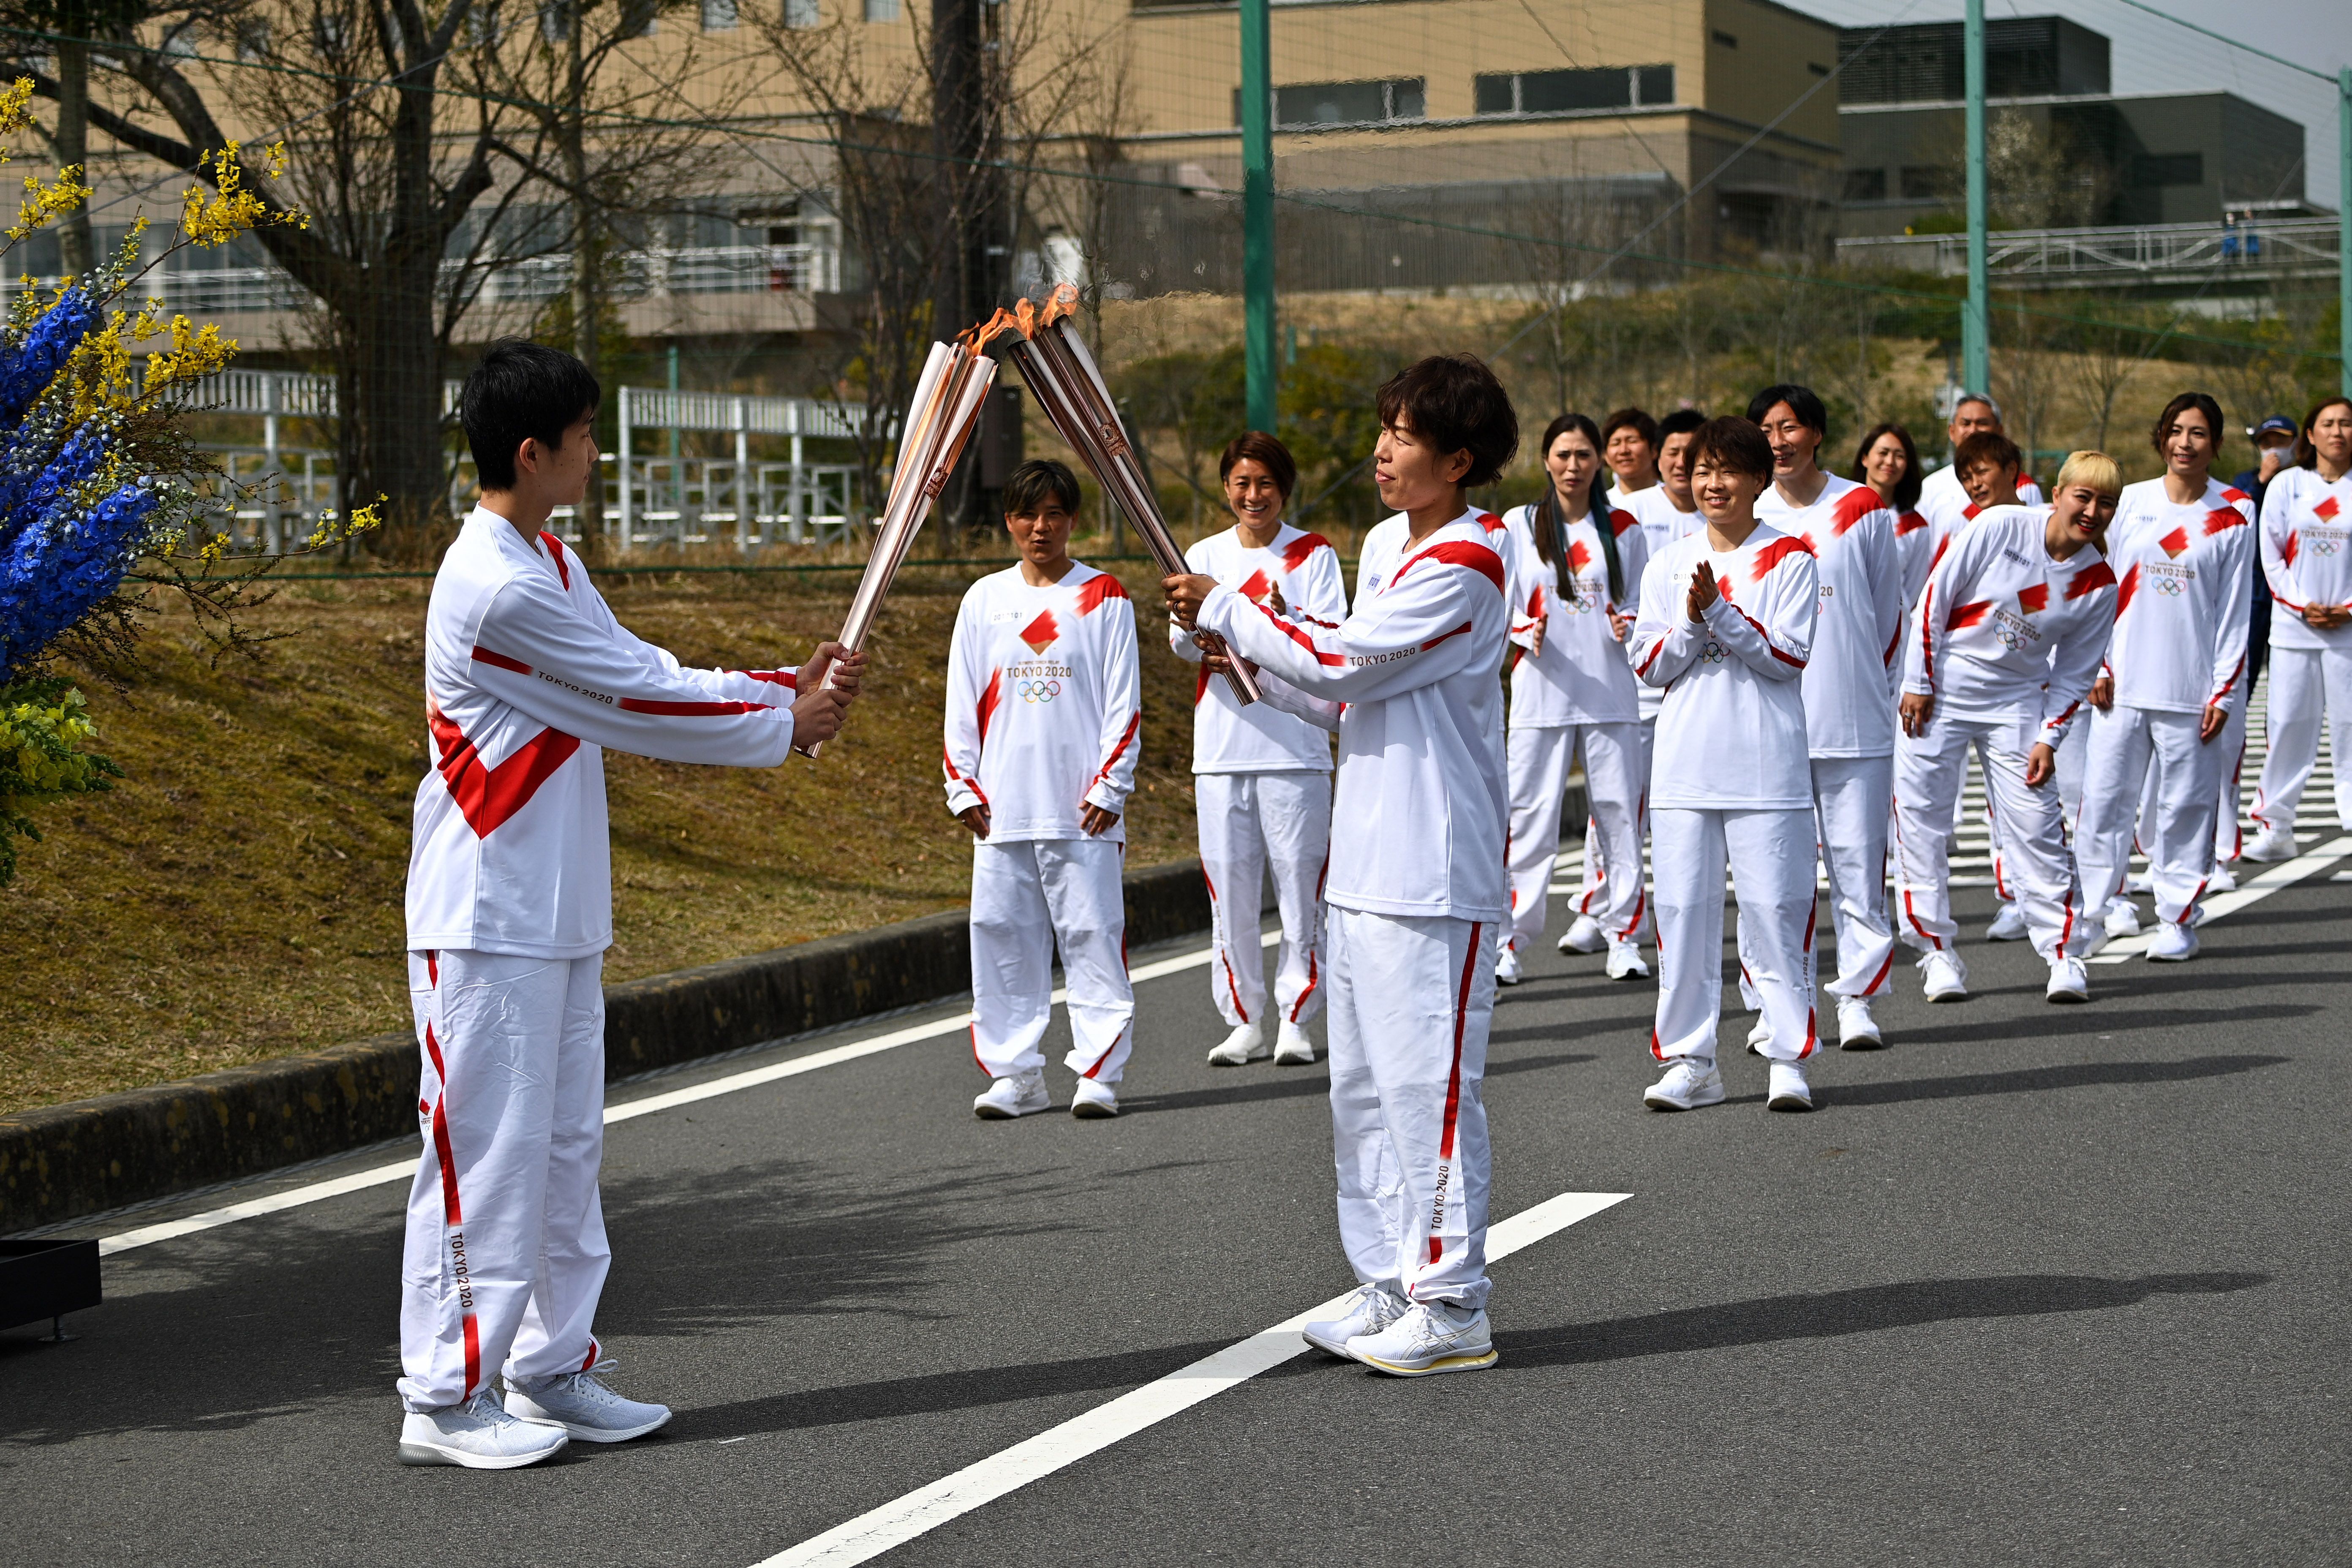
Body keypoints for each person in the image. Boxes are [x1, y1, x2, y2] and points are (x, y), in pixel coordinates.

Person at [399, 340, 863, 1469]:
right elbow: (630, 697)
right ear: (532, 451)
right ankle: (444, 1396)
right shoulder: (496, 585)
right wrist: (782, 723)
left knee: (561, 1151)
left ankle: (550, 1369)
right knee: (487, 1156)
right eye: (586, 436)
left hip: (555, 913)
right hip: (486, 918)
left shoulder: (547, 559)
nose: (597, 453)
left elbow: (631, 662)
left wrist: (776, 693)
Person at [1166, 354, 1517, 1377]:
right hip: (1362, 861)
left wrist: (1231, 607)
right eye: (1384, 428)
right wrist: (1234, 659)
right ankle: (1383, 1285)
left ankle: (1451, 1304)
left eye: (1405, 437)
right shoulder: (1386, 546)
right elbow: (1334, 694)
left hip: (1434, 866)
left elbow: (1342, 657)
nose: (1381, 449)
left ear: (1458, 460)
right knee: (1360, 1092)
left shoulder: (1472, 559)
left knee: (1428, 1092)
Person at [1629, 416, 1821, 1113]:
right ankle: (1689, 1060)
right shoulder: (1665, 562)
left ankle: (1787, 1056)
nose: (1713, 483)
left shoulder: (1791, 558)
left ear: (1757, 480)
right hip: (1684, 766)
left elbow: (1786, 656)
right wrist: (1690, 618)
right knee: (1680, 912)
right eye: (1702, 470)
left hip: (1765, 764)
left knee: (1773, 910)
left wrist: (1721, 612)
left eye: (1728, 471)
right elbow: (1648, 664)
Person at [945, 459, 1142, 1118]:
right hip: (1003, 806)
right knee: (1000, 936)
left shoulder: (1104, 596)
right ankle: (1016, 1076)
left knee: (1091, 935)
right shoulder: (984, 599)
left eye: (1055, 514)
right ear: (1009, 522)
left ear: (1073, 521)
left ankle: (1099, 1073)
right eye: (1029, 515)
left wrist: (1110, 785)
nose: (1041, 527)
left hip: (1081, 808)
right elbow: (961, 701)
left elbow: (1124, 703)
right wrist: (963, 784)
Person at [1895, 451, 2120, 1004]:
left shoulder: (2098, 583)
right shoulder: (2000, 525)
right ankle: (1937, 953)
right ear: (2058, 491)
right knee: (1921, 820)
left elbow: (2075, 673)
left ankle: (2064, 953)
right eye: (2082, 496)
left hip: (2017, 700)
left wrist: (2050, 738)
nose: (2091, 510)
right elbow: (1935, 600)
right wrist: (1920, 681)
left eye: (2106, 502)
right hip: (1944, 688)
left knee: (2037, 825)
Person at [1172, 432, 1345, 1066]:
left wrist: (1261, 623)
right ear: (1226, 488)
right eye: (1242, 484)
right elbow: (1182, 639)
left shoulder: (1312, 554)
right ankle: (1244, 1019)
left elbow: (1328, 638)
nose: (1253, 496)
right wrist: (1220, 631)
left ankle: (1297, 1016)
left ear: (1284, 489)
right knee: (1231, 892)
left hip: (1296, 749)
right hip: (1221, 750)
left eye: (1265, 484)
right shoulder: (1202, 555)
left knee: (1302, 889)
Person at [1747, 385, 1903, 1049]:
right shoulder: (1748, 515)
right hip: (1771, 723)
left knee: (1858, 870)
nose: (1777, 441)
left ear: (1815, 433)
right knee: (1773, 878)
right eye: (1766, 429)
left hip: (1851, 715)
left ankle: (1858, 1000)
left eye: (1788, 428)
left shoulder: (1861, 508)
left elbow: (1889, 617)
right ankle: (1776, 1006)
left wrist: (1871, 689)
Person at [2077, 393, 2255, 961]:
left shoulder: (2235, 512)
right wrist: (2095, 664)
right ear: (2162, 437)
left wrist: (2224, 690)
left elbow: (2234, 610)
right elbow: (2099, 586)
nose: (2185, 443)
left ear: (2217, 445)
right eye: (2176, 431)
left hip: (2190, 689)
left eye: (2198, 433)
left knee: (2185, 808)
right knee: (2104, 804)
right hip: (2120, 685)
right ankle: (2096, 911)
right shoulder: (2129, 502)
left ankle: (2178, 918)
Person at [1496, 414, 1651, 985]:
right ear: (1545, 459)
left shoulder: (1625, 527)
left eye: (1585, 455)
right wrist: (1520, 630)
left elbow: (1640, 600)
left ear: (1599, 463)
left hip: (1610, 692)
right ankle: (1508, 942)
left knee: (1617, 817)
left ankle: (1623, 936)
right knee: (1530, 818)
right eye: (1563, 454)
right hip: (1542, 693)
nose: (1573, 466)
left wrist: (1628, 621)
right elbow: (1501, 603)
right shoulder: (1520, 524)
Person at [1565, 406, 1705, 953]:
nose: (1681, 464)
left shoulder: (1727, 511)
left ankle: (1675, 910)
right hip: (1636, 686)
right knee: (1619, 804)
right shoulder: (1625, 511)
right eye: (1674, 453)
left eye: (1692, 456)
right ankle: (1598, 908)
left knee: (1690, 810)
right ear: (1658, 456)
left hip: (1703, 688)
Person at [2246, 395, 2352, 859]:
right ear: (2310, 435)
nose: (2337, 432)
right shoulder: (2288, 485)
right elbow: (2270, 554)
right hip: (2295, 628)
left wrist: (2348, 608)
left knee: (2350, 725)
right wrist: (2303, 604)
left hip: (2348, 629)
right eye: (2328, 424)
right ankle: (2276, 826)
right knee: (2289, 724)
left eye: (2347, 424)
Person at [1916, 393, 2045, 571]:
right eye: (1966, 423)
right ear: (1952, 432)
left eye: (1982, 423)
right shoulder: (1931, 486)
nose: (1973, 430)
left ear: (1999, 431)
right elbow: (1921, 553)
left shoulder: (2021, 484)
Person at [1855, 421, 1932, 607]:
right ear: (1865, 458)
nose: (1890, 462)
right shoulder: (1839, 509)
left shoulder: (1915, 526)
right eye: (1883, 453)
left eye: (1899, 456)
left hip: (1892, 630)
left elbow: (1911, 594)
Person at [1602, 406, 1661, 496]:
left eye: (1632, 441)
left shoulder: (1676, 502)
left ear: (1654, 450)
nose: (1623, 451)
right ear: (1605, 455)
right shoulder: (1602, 506)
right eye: (1616, 443)